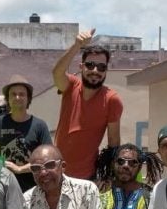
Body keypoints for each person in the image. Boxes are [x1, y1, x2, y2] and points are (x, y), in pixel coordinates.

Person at [52, 28, 123, 180]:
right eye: (90, 65)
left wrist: (111, 179)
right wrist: (77, 45)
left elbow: (114, 143)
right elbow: (57, 73)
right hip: (56, 174)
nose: (95, 70)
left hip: (86, 178)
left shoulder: (111, 99)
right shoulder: (70, 85)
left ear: (106, 70)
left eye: (101, 67)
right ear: (81, 66)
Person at [0, 75, 52, 191]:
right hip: (4, 189)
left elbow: (47, 159)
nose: (17, 97)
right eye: (13, 94)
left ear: (29, 99)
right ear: (8, 99)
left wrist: (20, 169)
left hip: (32, 190)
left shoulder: (39, 125)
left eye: (22, 94)